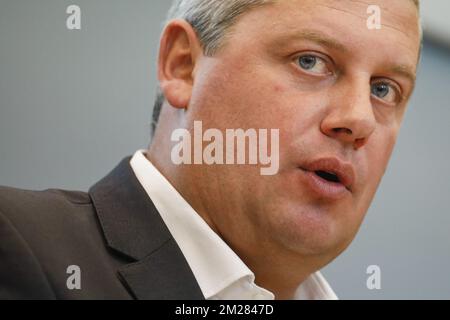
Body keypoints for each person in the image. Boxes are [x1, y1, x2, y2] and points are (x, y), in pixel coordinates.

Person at [0, 0, 421, 300]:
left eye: (384, 89)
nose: (359, 119)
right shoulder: (16, 245)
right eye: (310, 61)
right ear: (183, 66)